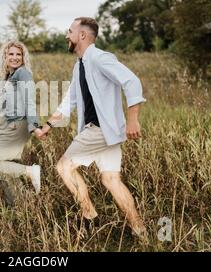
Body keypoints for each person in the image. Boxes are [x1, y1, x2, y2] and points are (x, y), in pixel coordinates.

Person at [41, 17, 148, 239]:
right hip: (107, 133)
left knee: (63, 167)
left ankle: (89, 217)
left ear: (81, 35)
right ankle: (140, 230)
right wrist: (48, 125)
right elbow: (70, 100)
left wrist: (133, 119)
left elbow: (131, 81)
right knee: (111, 180)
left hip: (99, 129)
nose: (66, 35)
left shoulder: (99, 58)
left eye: (70, 31)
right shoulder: (79, 65)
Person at [0, 41, 44, 205]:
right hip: (7, 125)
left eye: (19, 54)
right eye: (11, 54)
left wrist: (34, 126)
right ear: (5, 56)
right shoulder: (9, 77)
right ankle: (23, 204)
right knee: (6, 166)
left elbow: (30, 101)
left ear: (23, 57)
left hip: (16, 125)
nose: (15, 57)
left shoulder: (22, 74)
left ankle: (30, 171)